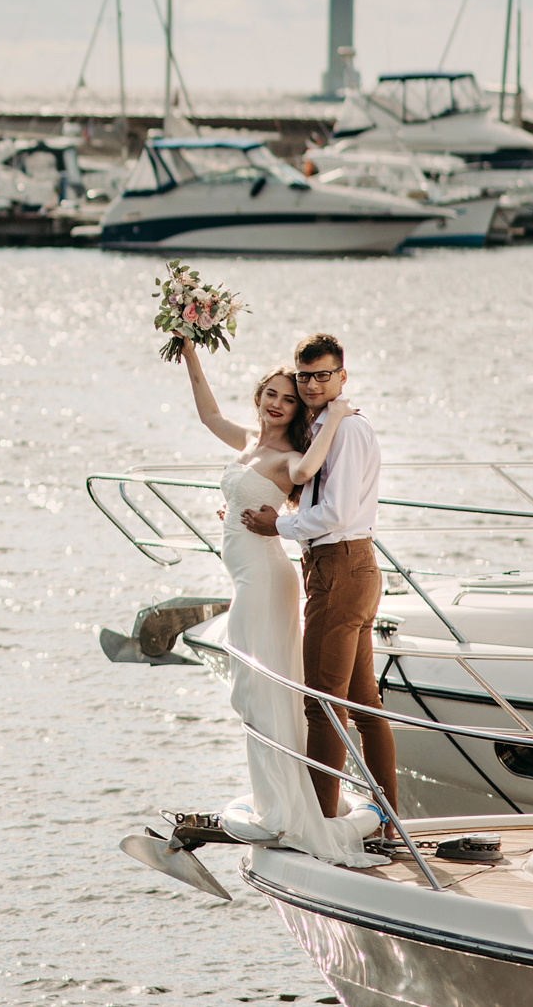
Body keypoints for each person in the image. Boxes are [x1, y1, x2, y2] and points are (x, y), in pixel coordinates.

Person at [176, 347, 377, 864]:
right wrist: (191, 353)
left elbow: (310, 468)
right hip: (248, 578)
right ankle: (276, 801)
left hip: (266, 580)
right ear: (259, 397)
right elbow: (207, 414)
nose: (278, 404)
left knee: (259, 690)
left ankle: (290, 811)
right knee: (258, 692)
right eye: (271, 394)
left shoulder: (291, 455)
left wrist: (332, 417)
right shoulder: (246, 442)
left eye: (289, 400)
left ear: (297, 411)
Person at [239, 333, 396, 818]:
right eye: (304, 375)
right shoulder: (324, 425)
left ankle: (320, 822)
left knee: (323, 703)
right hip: (343, 566)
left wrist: (277, 525)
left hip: (341, 567)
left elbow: (335, 511)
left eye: (322, 375)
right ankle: (389, 819)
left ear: (341, 377)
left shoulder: (346, 430)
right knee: (363, 702)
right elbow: (309, 491)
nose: (310, 385)